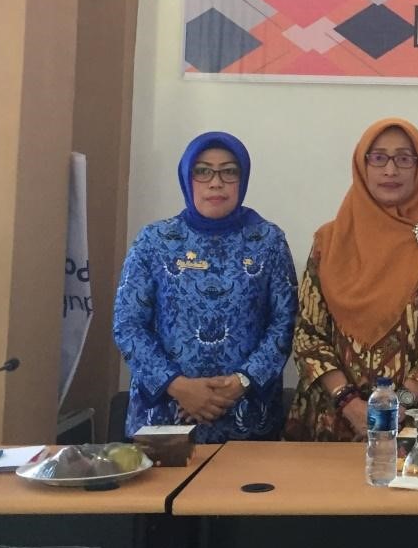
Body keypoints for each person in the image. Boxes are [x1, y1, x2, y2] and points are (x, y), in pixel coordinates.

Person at [285, 118, 418, 441]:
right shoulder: (329, 240)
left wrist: (400, 403)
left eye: (404, 158)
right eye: (379, 158)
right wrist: (349, 403)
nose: (390, 170)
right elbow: (308, 334)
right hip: (334, 420)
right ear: (362, 165)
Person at [113, 131, 298, 441]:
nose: (216, 183)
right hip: (166, 417)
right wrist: (179, 386)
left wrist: (241, 382)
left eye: (229, 171)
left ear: (242, 178)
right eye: (203, 171)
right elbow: (128, 325)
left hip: (247, 415)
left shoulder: (268, 241)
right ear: (187, 177)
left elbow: (285, 322)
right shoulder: (154, 241)